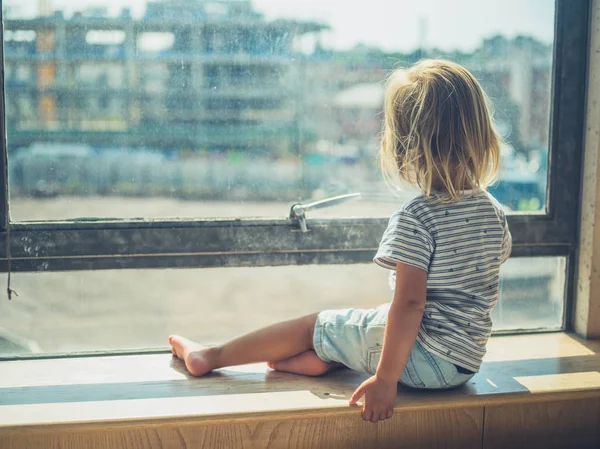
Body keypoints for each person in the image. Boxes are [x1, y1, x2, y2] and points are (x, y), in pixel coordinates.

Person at [169, 59, 512, 423]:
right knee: (366, 320)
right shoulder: (492, 210)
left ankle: (211, 356)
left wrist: (384, 380)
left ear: (404, 146)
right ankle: (324, 357)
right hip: (465, 362)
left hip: (424, 362)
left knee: (316, 323)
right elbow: (477, 276)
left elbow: (411, 304)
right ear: (480, 133)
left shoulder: (418, 217)